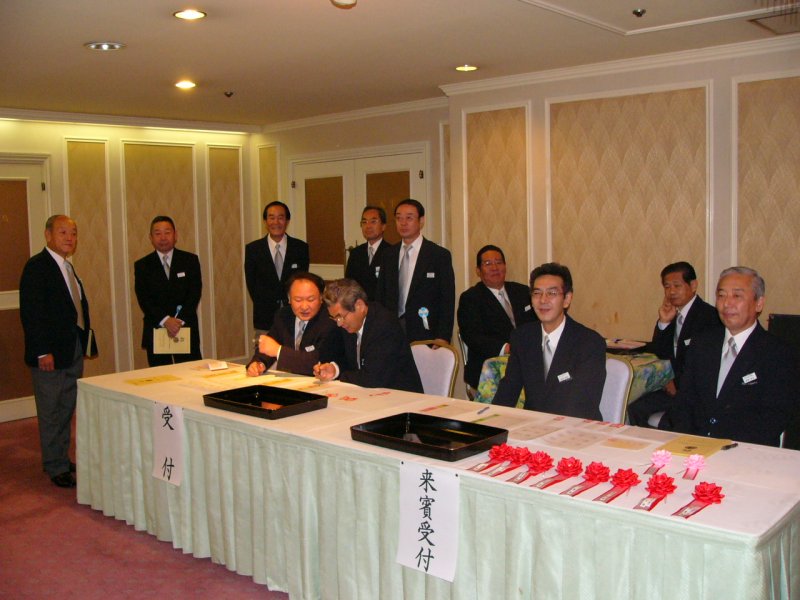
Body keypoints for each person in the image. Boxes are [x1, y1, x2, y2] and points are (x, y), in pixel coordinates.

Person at [663, 267, 799, 447]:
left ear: (759, 303)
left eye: (737, 296)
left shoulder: (778, 353)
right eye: (721, 296)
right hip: (695, 446)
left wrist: (723, 446)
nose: (727, 303)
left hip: (746, 450)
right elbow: (685, 401)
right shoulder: (702, 343)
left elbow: (774, 416)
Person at [20, 215, 92, 488]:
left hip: (71, 349)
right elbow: (32, 314)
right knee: (51, 410)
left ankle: (60, 456)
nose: (69, 238)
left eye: (73, 233)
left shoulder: (67, 267)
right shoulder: (37, 267)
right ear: (48, 235)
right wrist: (42, 352)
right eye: (63, 232)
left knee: (65, 407)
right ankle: (55, 465)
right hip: (49, 354)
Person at [492, 262, 606, 419]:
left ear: (567, 299)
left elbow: (582, 404)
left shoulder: (589, 343)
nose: (543, 300)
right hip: (532, 425)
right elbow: (508, 390)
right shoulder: (523, 337)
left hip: (575, 427)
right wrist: (491, 423)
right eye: (537, 293)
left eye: (552, 293)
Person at [627, 261, 720, 427]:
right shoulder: (674, 314)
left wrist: (677, 383)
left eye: (677, 286)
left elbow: (705, 362)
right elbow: (659, 352)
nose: (671, 292)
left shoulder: (709, 316)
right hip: (671, 386)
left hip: (695, 392)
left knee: (670, 420)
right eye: (667, 287)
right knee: (634, 409)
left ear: (693, 285)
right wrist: (664, 322)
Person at [314, 278, 423, 393]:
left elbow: (372, 379)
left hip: (402, 396)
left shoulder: (384, 325)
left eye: (340, 317)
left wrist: (342, 376)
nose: (339, 323)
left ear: (359, 306)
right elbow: (348, 361)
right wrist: (334, 369)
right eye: (334, 318)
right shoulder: (349, 325)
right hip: (370, 394)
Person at [375, 198, 455, 346]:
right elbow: (381, 295)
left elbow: (447, 299)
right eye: (399, 218)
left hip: (425, 330)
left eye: (409, 218)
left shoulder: (438, 255)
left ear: (421, 221)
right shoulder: (388, 254)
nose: (403, 223)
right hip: (391, 330)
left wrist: (443, 336)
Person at [457, 245, 535, 393]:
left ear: (505, 266)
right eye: (488, 264)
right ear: (478, 271)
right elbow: (472, 336)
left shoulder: (523, 292)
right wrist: (507, 348)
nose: (494, 268)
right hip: (489, 368)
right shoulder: (470, 298)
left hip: (528, 364)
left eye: (499, 262)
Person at [134, 216, 202, 367]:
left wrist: (178, 322)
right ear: (151, 238)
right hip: (157, 329)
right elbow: (144, 299)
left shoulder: (190, 260)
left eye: (167, 232)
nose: (163, 237)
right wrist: (166, 320)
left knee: (191, 373)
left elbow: (194, 293)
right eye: (158, 233)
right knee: (161, 377)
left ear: (175, 235)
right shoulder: (142, 265)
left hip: (185, 328)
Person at [246, 272, 344, 376]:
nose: (304, 306)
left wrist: (278, 351)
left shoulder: (329, 320)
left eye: (311, 299)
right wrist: (259, 363)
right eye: (298, 300)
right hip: (289, 379)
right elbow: (269, 344)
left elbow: (317, 361)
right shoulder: (283, 315)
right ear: (289, 298)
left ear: (321, 298)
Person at [244, 201, 310, 333]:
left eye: (280, 218)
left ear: (287, 221)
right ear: (265, 221)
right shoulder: (253, 249)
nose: (276, 222)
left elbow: (302, 281)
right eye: (271, 218)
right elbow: (252, 284)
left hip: (295, 314)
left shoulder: (300, 248)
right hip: (265, 317)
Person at [345, 206, 388, 301]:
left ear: (383, 226)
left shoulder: (391, 252)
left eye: (373, 222)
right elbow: (349, 284)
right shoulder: (356, 253)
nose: (368, 226)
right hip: (358, 304)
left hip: (381, 306)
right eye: (364, 222)